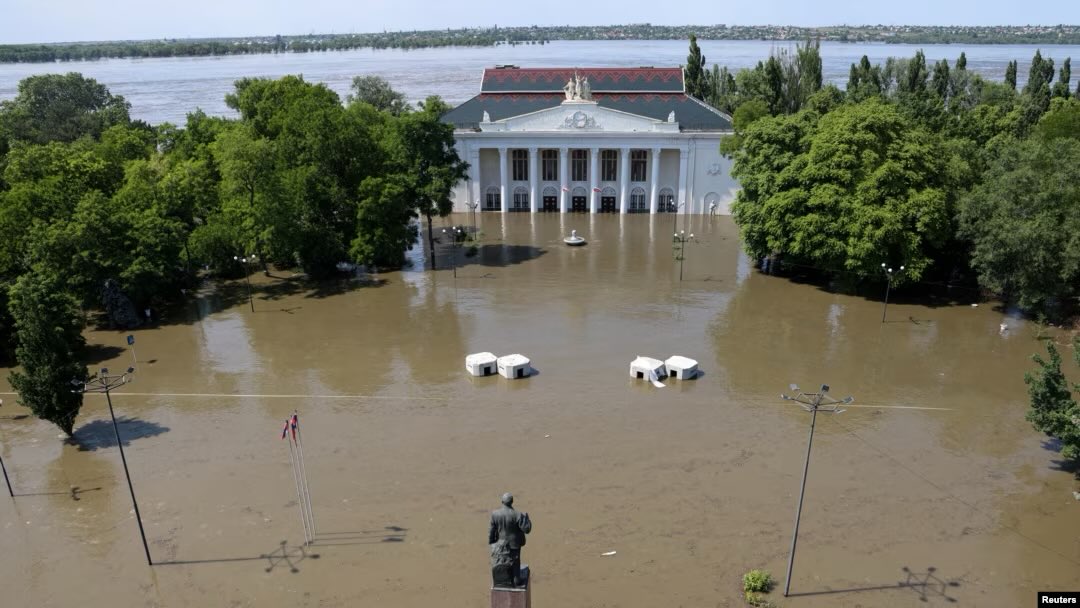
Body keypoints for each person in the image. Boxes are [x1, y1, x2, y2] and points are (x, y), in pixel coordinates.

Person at [488, 492, 532, 587]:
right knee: (515, 563)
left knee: (501, 561)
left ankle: (502, 580)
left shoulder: (495, 514)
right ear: (512, 502)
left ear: (502, 501)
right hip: (514, 544)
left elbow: (491, 530)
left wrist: (491, 542)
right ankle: (516, 580)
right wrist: (527, 520)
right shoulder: (518, 514)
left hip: (500, 544)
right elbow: (527, 529)